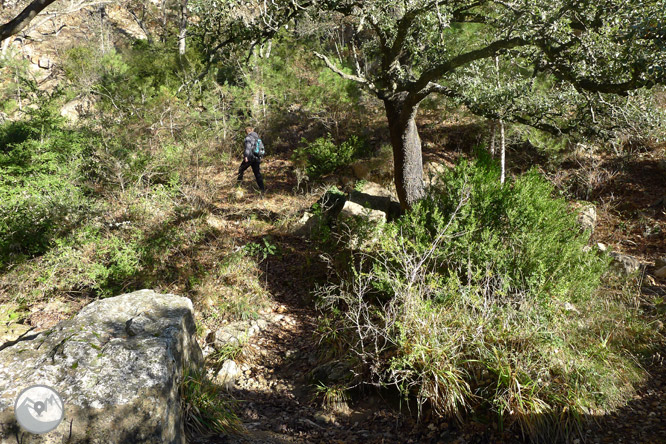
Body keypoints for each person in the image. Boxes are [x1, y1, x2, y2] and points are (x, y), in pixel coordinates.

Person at [236, 126, 265, 192]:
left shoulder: (248, 138)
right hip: (257, 158)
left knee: (241, 169)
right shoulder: (257, 137)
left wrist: (246, 156)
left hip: (250, 157)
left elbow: (248, 148)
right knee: (257, 173)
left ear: (247, 132)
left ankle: (238, 185)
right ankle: (262, 188)